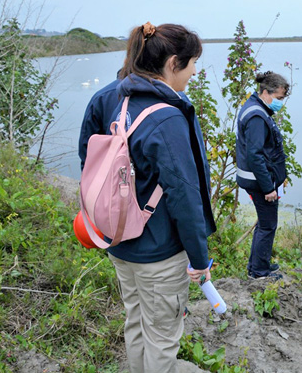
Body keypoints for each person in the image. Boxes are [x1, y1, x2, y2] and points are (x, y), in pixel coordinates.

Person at [79, 22, 216, 373]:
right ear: (173, 63)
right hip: (159, 252)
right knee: (162, 336)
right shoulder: (166, 117)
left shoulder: (112, 99)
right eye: (193, 63)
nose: (195, 71)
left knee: (137, 320)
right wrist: (199, 259)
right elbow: (185, 197)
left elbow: (88, 160)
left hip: (119, 241)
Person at [235, 71, 290, 280]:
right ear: (265, 93)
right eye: (278, 98)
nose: (280, 103)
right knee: (268, 225)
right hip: (259, 180)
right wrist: (268, 187)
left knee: (263, 223)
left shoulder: (253, 107)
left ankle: (258, 264)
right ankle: (259, 273)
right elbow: (255, 155)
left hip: (255, 178)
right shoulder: (257, 116)